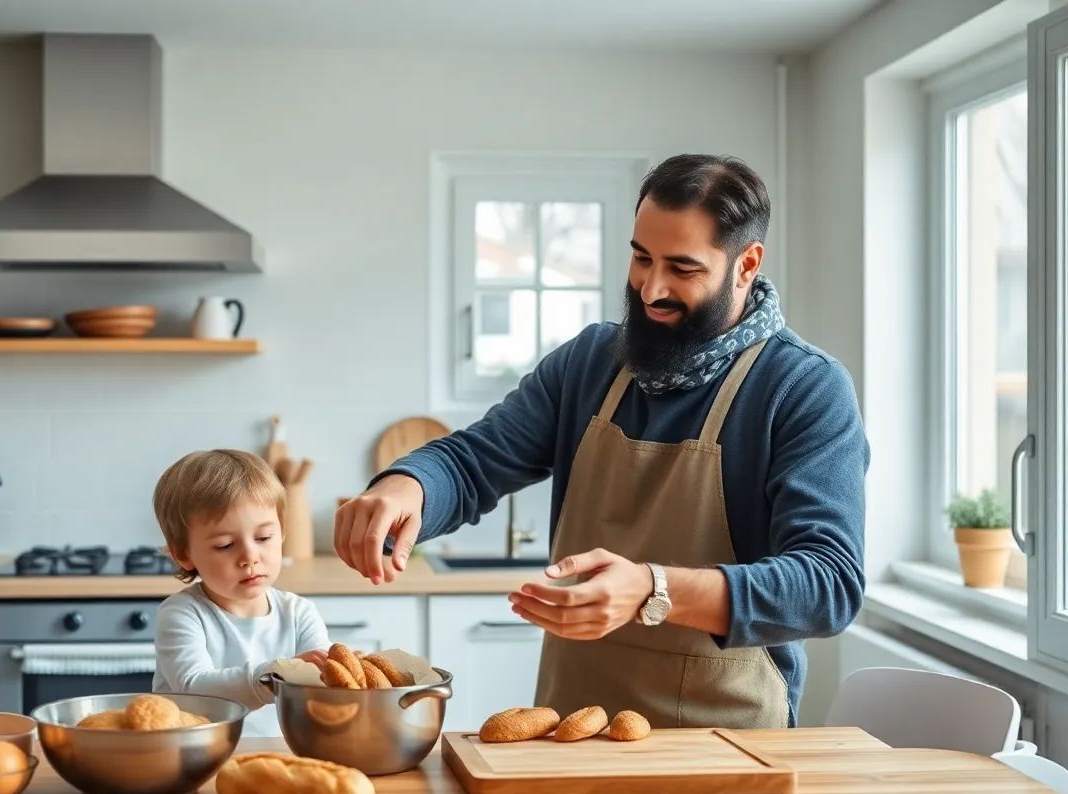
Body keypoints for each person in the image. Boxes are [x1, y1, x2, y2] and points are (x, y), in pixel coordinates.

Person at [334, 154, 869, 728]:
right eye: (641, 258)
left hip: (727, 739)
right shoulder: (592, 362)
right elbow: (473, 462)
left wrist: (653, 588)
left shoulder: (803, 387)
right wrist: (406, 486)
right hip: (573, 728)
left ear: (746, 265)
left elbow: (828, 583)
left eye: (682, 268)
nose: (651, 289)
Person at [151, 449, 329, 736]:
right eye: (224, 545)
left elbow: (321, 685)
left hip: (283, 756)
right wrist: (274, 676)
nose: (250, 556)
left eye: (263, 537)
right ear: (183, 554)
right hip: (195, 759)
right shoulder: (182, 614)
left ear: (282, 531)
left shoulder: (299, 613)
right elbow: (196, 690)